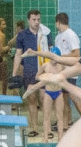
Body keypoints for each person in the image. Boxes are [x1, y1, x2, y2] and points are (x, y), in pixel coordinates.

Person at [12, 9, 52, 137]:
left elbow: (51, 53)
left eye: (38, 20)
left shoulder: (45, 34)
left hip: (44, 70)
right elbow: (18, 54)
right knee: (32, 99)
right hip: (29, 71)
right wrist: (14, 73)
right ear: (28, 20)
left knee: (44, 99)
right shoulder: (22, 35)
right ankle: (34, 127)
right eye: (34, 20)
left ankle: (48, 129)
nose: (36, 22)